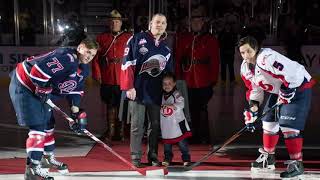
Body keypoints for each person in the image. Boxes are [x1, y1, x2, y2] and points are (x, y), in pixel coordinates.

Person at [9, 38, 98, 180]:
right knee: (38, 126)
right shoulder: (67, 59)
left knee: (49, 124)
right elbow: (37, 72)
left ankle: (47, 158)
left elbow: (75, 91)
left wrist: (75, 113)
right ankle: (32, 168)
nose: (89, 57)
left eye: (93, 55)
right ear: (80, 48)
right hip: (25, 84)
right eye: (88, 52)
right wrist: (44, 89)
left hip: (40, 88)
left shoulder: (84, 68)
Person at [238, 36, 316, 178]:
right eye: (242, 52)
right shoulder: (244, 67)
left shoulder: (266, 58)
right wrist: (253, 110)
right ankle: (268, 158)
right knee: (268, 121)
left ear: (255, 48)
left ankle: (296, 163)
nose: (246, 56)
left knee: (288, 126)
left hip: (298, 86)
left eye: (248, 51)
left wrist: (287, 92)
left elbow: (294, 73)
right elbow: (255, 90)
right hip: (280, 89)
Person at [120, 13, 173, 167]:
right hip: (138, 90)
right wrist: (129, 86)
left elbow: (168, 74)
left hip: (156, 92)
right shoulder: (137, 39)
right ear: (150, 23)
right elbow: (126, 63)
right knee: (137, 125)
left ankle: (153, 156)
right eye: (157, 22)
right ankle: (136, 157)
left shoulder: (165, 48)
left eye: (163, 23)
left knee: (155, 125)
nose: (160, 25)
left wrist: (169, 91)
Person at [175, 6, 219, 144]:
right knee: (189, 108)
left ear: (203, 22)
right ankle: (191, 134)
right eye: (193, 20)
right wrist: (178, 78)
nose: (196, 23)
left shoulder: (210, 39)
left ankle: (204, 135)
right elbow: (177, 59)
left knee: (202, 108)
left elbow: (215, 61)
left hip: (204, 79)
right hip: (187, 79)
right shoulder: (183, 38)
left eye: (198, 20)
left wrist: (213, 79)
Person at [92, 10, 132, 141]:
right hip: (108, 75)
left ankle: (121, 132)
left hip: (123, 76)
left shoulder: (129, 37)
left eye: (117, 21)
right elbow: (95, 58)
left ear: (121, 23)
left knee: (123, 105)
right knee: (110, 104)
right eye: (112, 21)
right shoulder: (101, 38)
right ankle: (111, 130)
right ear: (109, 23)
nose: (114, 23)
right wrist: (97, 74)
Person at [160, 72, 192, 167]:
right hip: (167, 125)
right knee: (167, 145)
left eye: (169, 84)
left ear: (174, 84)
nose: (167, 86)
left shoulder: (176, 94)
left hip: (177, 124)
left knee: (182, 144)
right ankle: (167, 158)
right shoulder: (161, 96)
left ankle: (186, 158)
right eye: (165, 84)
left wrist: (173, 106)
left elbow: (181, 104)